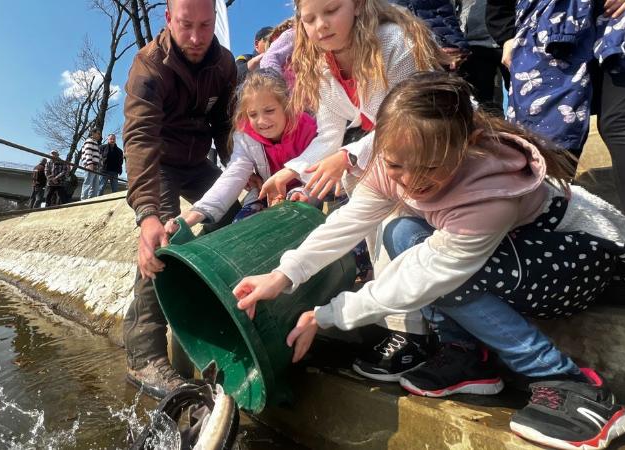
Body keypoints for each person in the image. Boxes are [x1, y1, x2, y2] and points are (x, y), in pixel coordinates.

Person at [233, 72, 625, 450]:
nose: (408, 180)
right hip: (517, 253)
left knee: (441, 269)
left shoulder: (489, 193)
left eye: (429, 168)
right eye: (395, 166)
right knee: (400, 232)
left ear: (463, 147)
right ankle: (467, 358)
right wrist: (283, 274)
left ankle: (568, 382)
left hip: (586, 259)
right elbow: (350, 220)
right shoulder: (399, 154)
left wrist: (327, 315)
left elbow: (423, 277)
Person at [258, 0, 450, 380]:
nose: (321, 26)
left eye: (331, 11)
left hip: (430, 147)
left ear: (358, 5)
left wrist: (348, 156)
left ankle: (415, 334)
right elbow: (329, 134)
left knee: (389, 215)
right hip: (389, 154)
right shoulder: (322, 63)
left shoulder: (394, 43)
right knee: (371, 210)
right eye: (309, 19)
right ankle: (401, 327)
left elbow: (412, 118)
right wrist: (291, 171)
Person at [122, 0, 239, 398]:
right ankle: (144, 357)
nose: (196, 37)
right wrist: (148, 214)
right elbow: (139, 139)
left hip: (199, 163)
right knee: (162, 245)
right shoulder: (148, 65)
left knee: (239, 218)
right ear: (167, 19)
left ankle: (224, 318)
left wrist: (245, 168)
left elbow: (225, 124)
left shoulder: (224, 65)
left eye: (206, 26)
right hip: (161, 165)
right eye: (186, 25)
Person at [486, 0, 625, 228]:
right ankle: (540, 240)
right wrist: (506, 35)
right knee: (547, 139)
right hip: (548, 31)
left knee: (623, 127)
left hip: (621, 23)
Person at [164, 70, 318, 234]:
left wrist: (304, 192)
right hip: (265, 194)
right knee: (241, 229)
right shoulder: (246, 136)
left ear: (286, 105)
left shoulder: (306, 129)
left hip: (304, 189)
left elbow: (316, 168)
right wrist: (195, 213)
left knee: (292, 226)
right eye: (253, 114)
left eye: (269, 110)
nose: (261, 121)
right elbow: (234, 174)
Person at [80, 130, 104, 199]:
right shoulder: (89, 140)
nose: (100, 135)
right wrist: (90, 163)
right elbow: (88, 152)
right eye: (98, 133)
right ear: (93, 133)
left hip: (96, 166)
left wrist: (101, 165)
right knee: (88, 184)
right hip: (91, 165)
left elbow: (99, 156)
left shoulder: (95, 143)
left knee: (95, 186)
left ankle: (91, 200)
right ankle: (83, 200)